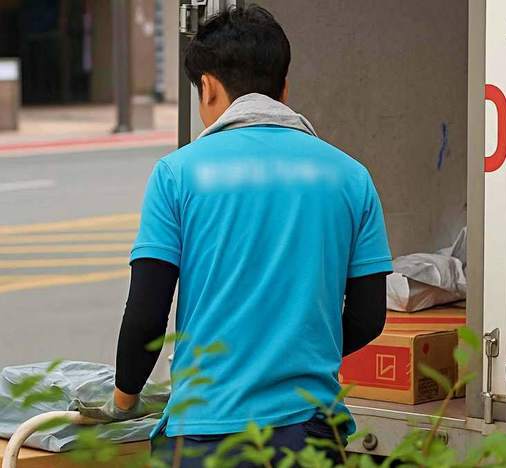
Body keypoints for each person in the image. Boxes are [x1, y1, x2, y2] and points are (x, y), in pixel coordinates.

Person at [79, 5, 392, 466]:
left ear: (207, 87)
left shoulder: (178, 174)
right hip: (310, 434)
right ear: (284, 88)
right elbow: (367, 317)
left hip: (207, 435)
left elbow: (147, 315)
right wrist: (290, 352)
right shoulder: (351, 176)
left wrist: (124, 400)